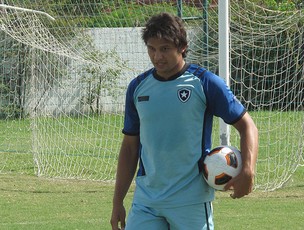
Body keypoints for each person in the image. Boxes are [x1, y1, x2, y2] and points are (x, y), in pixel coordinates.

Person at [110, 12, 258, 230]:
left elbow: (248, 126)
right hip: (147, 202)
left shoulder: (205, 82)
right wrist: (117, 201)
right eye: (152, 48)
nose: (157, 56)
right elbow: (130, 148)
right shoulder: (137, 87)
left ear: (182, 47)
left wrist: (247, 169)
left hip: (191, 202)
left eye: (165, 48)